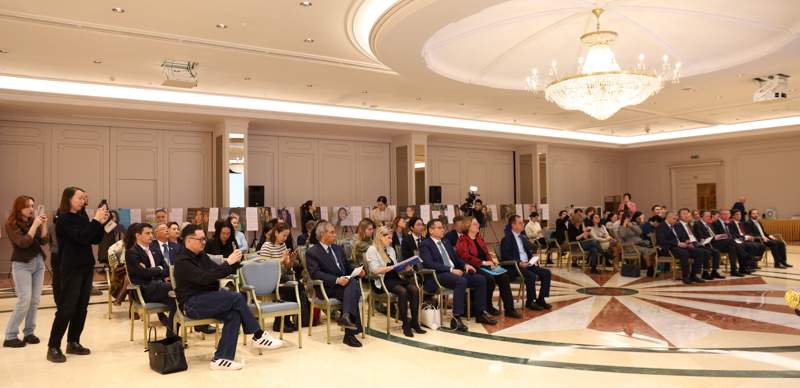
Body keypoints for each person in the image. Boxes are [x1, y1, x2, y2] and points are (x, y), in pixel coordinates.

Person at [173, 224, 282, 370]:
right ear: (188, 241)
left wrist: (235, 263)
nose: (204, 242)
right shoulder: (182, 261)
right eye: (200, 239)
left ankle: (221, 358)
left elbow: (217, 271)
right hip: (191, 304)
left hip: (208, 299)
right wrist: (227, 263)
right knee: (236, 297)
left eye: (204, 239)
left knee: (234, 314)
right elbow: (205, 278)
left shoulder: (201, 256)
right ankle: (258, 335)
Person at [47, 187, 108, 363]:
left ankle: (73, 341)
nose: (83, 201)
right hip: (71, 267)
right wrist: (95, 221)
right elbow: (81, 237)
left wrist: (100, 224)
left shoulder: (82, 217)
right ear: (69, 199)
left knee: (82, 308)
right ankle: (53, 346)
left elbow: (93, 239)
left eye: (84, 198)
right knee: (67, 308)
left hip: (86, 266)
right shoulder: (63, 219)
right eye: (80, 198)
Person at [419, 219, 495, 332]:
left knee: (480, 279)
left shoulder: (445, 241)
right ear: (431, 230)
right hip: (438, 275)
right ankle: (456, 317)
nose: (442, 229)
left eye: (442, 227)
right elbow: (429, 263)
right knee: (461, 281)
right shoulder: (425, 244)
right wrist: (450, 269)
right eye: (439, 228)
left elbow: (456, 258)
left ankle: (480, 313)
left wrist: (465, 265)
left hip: (453, 273)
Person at [305, 221, 366, 347]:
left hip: (344, 284)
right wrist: (337, 280)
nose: (335, 235)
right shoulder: (312, 252)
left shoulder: (338, 248)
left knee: (352, 284)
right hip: (327, 287)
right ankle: (349, 331)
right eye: (332, 232)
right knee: (353, 288)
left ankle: (347, 322)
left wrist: (358, 271)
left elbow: (347, 266)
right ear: (322, 234)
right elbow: (315, 274)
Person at [4, 196, 49, 348]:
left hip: (38, 262)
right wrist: (35, 225)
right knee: (24, 299)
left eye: (32, 205)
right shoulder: (11, 224)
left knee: (35, 300)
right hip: (22, 264)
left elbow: (43, 241)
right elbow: (23, 243)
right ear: (19, 208)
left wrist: (43, 225)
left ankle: (29, 332)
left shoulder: (32, 221)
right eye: (27, 206)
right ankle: (10, 335)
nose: (31, 209)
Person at [365, 226, 426, 337]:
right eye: (388, 238)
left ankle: (415, 322)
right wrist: (393, 267)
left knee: (414, 289)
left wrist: (404, 268)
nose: (391, 240)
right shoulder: (372, 250)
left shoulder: (390, 249)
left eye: (391, 238)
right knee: (403, 291)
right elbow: (375, 270)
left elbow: (396, 267)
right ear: (380, 237)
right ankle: (406, 325)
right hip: (382, 281)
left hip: (394, 278)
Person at [456, 216, 520, 318]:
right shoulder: (462, 240)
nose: (478, 226)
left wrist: (491, 262)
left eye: (477, 223)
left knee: (504, 277)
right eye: (475, 224)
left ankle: (509, 309)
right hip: (473, 267)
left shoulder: (479, 238)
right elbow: (465, 256)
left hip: (485, 265)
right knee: (489, 279)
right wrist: (483, 263)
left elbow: (486, 253)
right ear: (468, 226)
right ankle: (487, 306)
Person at [124, 223, 177, 337]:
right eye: (147, 233)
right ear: (138, 236)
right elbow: (143, 274)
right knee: (177, 290)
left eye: (151, 233)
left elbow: (167, 270)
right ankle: (178, 332)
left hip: (158, 287)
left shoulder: (155, 250)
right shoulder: (132, 252)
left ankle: (172, 335)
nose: (151, 236)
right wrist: (158, 269)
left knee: (178, 300)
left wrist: (152, 270)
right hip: (144, 290)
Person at [258, 221, 310, 332]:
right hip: (269, 280)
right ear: (276, 233)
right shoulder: (267, 245)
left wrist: (290, 260)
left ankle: (285, 320)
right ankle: (280, 322)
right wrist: (282, 259)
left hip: (281, 278)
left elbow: (287, 267)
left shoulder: (283, 246)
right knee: (291, 289)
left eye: (287, 235)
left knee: (297, 286)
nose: (285, 238)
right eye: (284, 235)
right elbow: (263, 266)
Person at [501, 215, 552, 311]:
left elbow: (529, 250)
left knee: (547, 273)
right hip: (516, 267)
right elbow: (505, 257)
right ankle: (530, 301)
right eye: (520, 223)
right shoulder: (507, 239)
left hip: (527, 264)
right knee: (531, 276)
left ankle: (541, 299)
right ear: (513, 225)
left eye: (522, 222)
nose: (523, 225)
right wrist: (519, 263)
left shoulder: (522, 237)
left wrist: (532, 258)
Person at [656, 211, 705, 284]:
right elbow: (662, 241)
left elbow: (680, 236)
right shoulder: (661, 227)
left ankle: (694, 275)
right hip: (669, 248)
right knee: (684, 253)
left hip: (680, 246)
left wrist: (687, 242)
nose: (676, 221)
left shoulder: (676, 225)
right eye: (674, 219)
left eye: (676, 219)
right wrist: (678, 244)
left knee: (700, 252)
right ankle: (685, 276)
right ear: (668, 218)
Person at [675, 208, 721, 280]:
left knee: (714, 251)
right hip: (687, 245)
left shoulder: (689, 224)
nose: (686, 215)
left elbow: (693, 236)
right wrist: (688, 242)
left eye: (687, 213)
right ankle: (697, 274)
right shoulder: (677, 225)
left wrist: (698, 242)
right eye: (684, 213)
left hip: (696, 244)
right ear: (679, 216)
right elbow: (678, 237)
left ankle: (697, 274)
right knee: (704, 252)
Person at [709, 210, 752, 276]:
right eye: (724, 214)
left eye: (728, 214)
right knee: (732, 241)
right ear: (720, 215)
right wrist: (726, 236)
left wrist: (737, 239)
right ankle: (745, 255)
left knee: (733, 248)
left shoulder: (728, 223)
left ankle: (734, 270)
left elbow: (732, 234)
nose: (727, 216)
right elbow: (715, 237)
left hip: (728, 243)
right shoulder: (716, 223)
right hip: (717, 244)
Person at [617, 212, 655, 277]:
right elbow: (623, 235)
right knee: (646, 251)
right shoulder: (621, 227)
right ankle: (650, 269)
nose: (629, 219)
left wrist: (632, 226)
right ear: (624, 218)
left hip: (640, 243)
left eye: (630, 217)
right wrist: (624, 225)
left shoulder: (633, 224)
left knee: (653, 250)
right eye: (627, 217)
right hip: (630, 246)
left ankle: (651, 268)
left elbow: (640, 232)